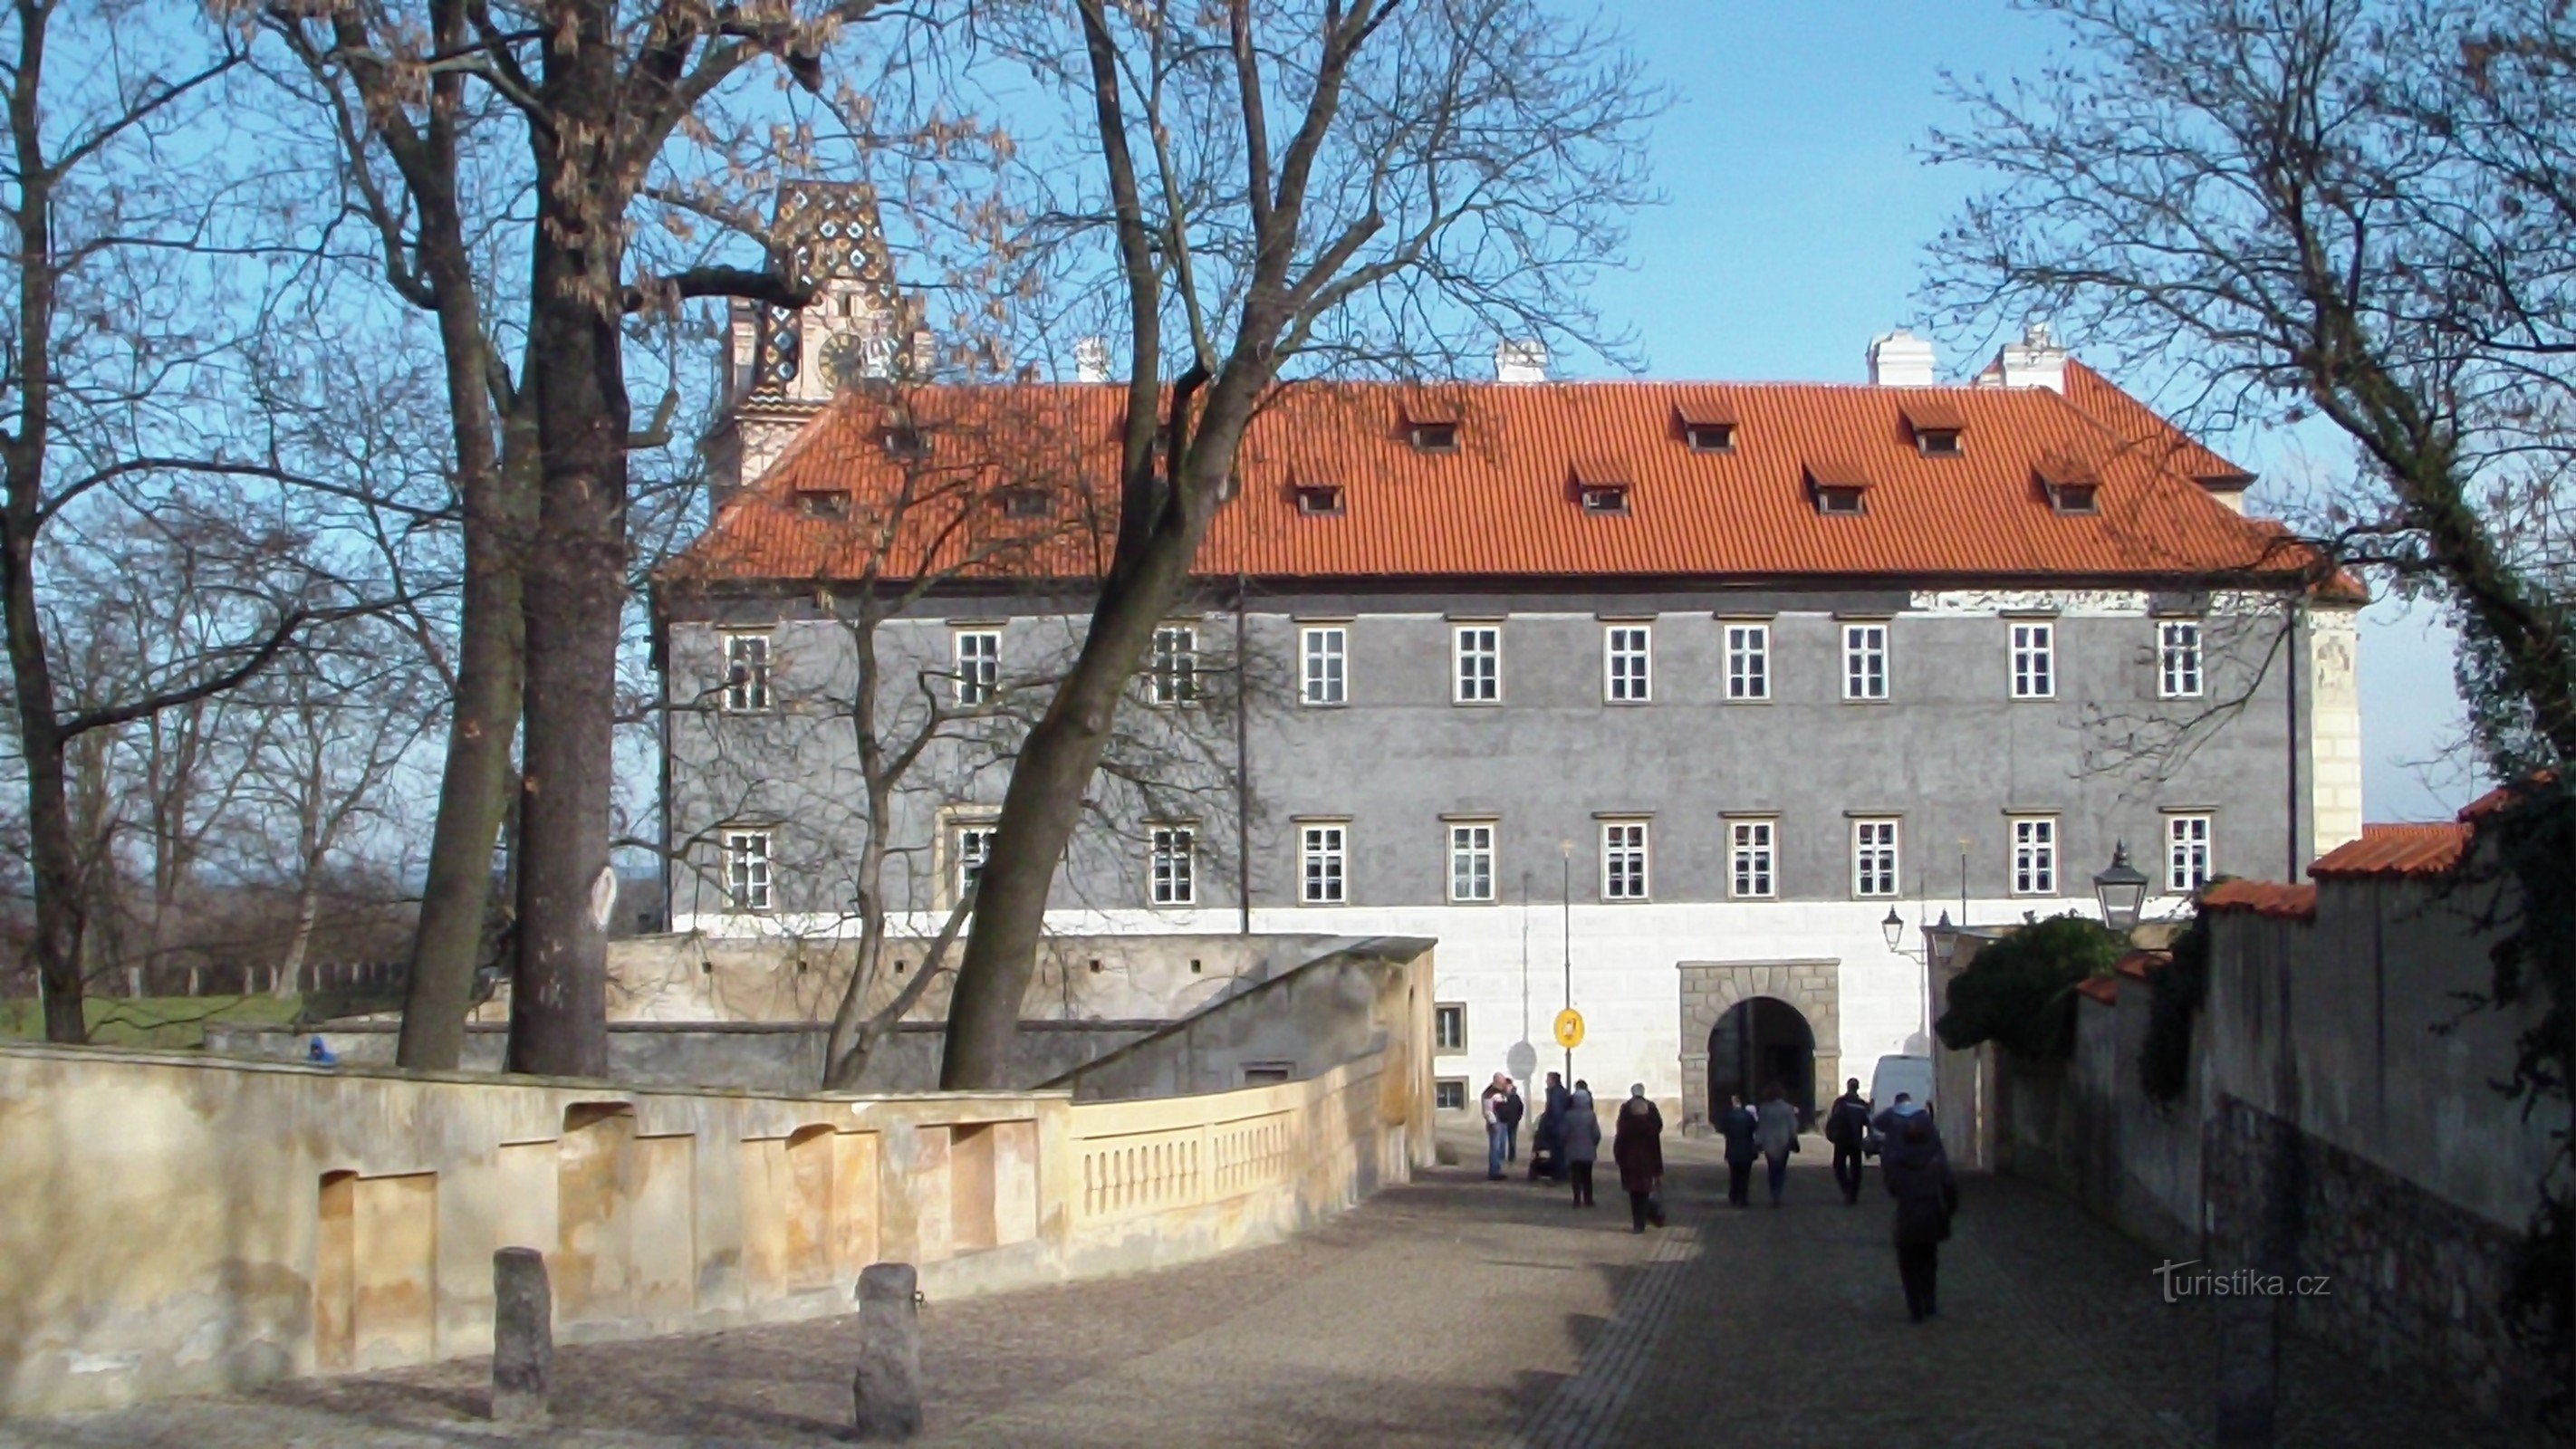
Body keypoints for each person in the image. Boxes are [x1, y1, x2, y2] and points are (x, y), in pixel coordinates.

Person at [1884, 1110, 1959, 1321]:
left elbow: (1892, 1188)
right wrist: (1949, 1210)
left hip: (1908, 1214)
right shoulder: (1936, 1158)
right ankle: (1929, 1300)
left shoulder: (1897, 1160)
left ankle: (1915, 1307)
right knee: (1928, 1260)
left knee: (1908, 1264)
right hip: (1931, 1214)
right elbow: (1949, 1187)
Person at [1613, 1083, 1666, 1233]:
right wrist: (1658, 1170)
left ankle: (1637, 1223)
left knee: (1634, 1194)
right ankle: (1642, 1221)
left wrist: (1619, 1159)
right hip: (1646, 1165)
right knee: (1644, 1192)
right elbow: (1656, 1149)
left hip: (1630, 1165)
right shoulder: (1651, 1128)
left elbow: (1619, 1144)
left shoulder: (1626, 1124)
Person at [1825, 1078, 1873, 1206]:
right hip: (1855, 1139)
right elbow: (1868, 1122)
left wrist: (1830, 1133)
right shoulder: (1861, 1104)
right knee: (1856, 1169)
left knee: (1839, 1166)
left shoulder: (1840, 1102)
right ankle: (1853, 1193)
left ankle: (1847, 1189)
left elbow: (1832, 1118)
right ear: (1857, 1088)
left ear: (1847, 1087)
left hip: (1841, 1138)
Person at [1754, 1083, 1800, 1207]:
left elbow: (1761, 1126)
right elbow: (1793, 1125)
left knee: (1772, 1169)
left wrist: (1758, 1142)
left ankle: (1774, 1191)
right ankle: (1777, 1192)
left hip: (1769, 1142)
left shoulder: (1764, 1108)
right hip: (1783, 1141)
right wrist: (1793, 1138)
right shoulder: (1788, 1108)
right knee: (1781, 1169)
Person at [1560, 1081, 1601, 1208]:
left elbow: (1564, 1132)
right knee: (1587, 1176)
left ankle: (1577, 1199)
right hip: (1588, 1150)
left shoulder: (1569, 1115)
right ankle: (1588, 1199)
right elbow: (1596, 1133)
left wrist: (1565, 1144)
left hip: (1572, 1149)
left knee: (1575, 1176)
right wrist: (1594, 1144)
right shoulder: (1591, 1115)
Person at [1716, 1092, 1759, 1207]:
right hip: (1746, 1149)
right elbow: (1755, 1128)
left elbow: (1721, 1129)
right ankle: (1743, 1198)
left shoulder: (1728, 1116)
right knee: (1745, 1176)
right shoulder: (1748, 1116)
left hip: (1732, 1148)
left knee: (1734, 1174)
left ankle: (1734, 1195)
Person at [1530, 1070, 1568, 1182]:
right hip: (1559, 1127)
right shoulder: (1560, 1092)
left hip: (1555, 1128)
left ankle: (1559, 1174)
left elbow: (1556, 1112)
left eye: (1548, 1079)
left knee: (1557, 1152)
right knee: (1559, 1152)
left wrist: (1547, 1124)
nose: (1546, 1081)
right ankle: (1559, 1173)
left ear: (1553, 1081)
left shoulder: (1555, 1093)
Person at [1480, 1073, 1512, 1180]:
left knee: (1500, 1148)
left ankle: (1498, 1169)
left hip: (1502, 1122)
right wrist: (1493, 1123)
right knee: (1495, 1148)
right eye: (1502, 1082)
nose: (1504, 1084)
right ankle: (1494, 1171)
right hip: (1495, 1123)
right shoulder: (1489, 1094)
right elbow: (1488, 1111)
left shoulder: (1501, 1093)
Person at [1497, 1078, 1526, 1163]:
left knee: (1512, 1140)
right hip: (1503, 1120)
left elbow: (1520, 1107)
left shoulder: (1515, 1096)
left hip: (1513, 1121)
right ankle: (1501, 1157)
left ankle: (1511, 1157)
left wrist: (1518, 1117)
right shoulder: (1502, 1096)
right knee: (1502, 1140)